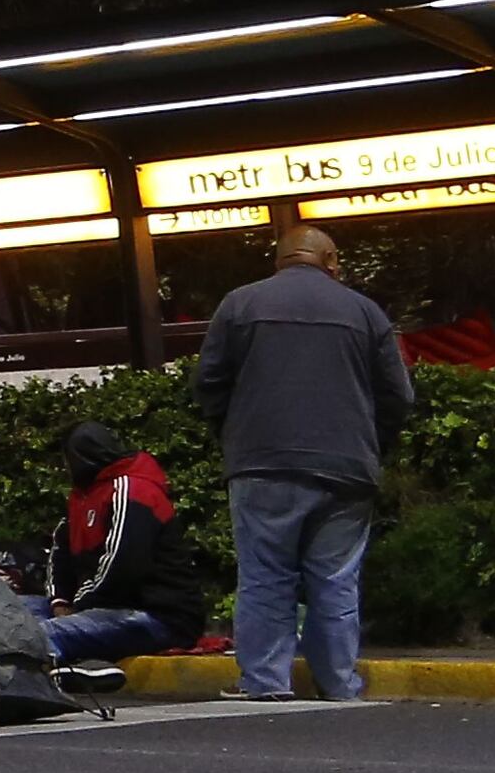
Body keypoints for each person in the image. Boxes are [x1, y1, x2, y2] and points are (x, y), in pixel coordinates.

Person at [194, 223, 416, 702]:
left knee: (265, 575)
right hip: (347, 467)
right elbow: (397, 395)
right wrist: (368, 443)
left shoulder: (240, 304)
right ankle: (338, 682)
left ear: (279, 260)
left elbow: (209, 383)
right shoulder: (364, 311)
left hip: (262, 465)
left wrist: (236, 437)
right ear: (331, 260)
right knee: (335, 578)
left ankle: (267, 682)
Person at [36, 418, 208, 679]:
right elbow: (60, 554)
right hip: (103, 608)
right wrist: (60, 601)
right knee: (8, 613)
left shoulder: (131, 490)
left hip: (157, 615)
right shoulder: (83, 498)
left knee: (41, 633)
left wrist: (77, 607)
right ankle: (75, 662)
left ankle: (55, 674)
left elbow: (123, 563)